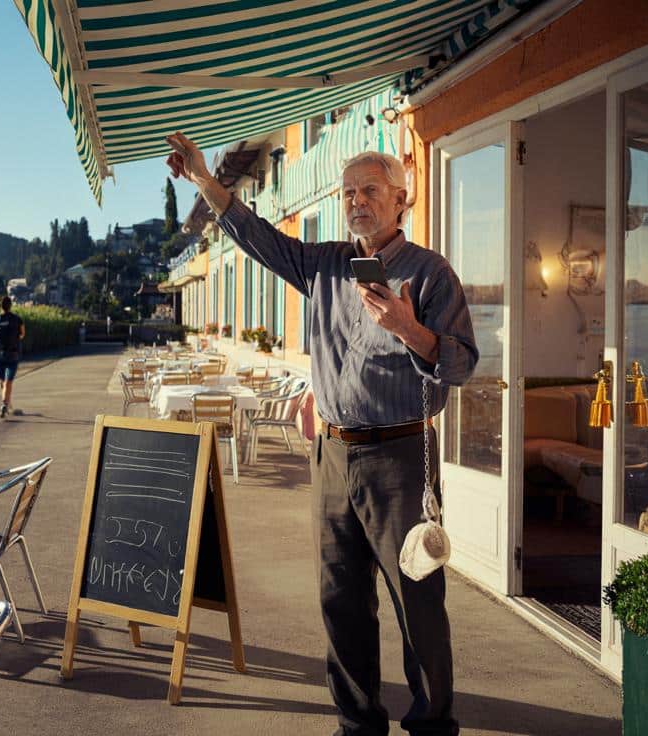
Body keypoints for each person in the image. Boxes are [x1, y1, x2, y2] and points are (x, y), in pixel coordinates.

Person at [166, 132, 477, 736]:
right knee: (340, 599)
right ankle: (358, 724)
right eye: (348, 192)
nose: (357, 201)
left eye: (370, 190)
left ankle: (432, 724)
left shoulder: (430, 273)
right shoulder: (325, 263)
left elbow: (461, 365)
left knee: (416, 600)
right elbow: (256, 236)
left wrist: (410, 329)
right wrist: (204, 178)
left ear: (401, 199)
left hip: (400, 456)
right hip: (332, 454)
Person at [0, 296, 25, 419]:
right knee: (8, 381)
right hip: (13, 354)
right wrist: (14, 337)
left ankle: (7, 403)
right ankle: (5, 404)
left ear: (1, 306)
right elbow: (22, 334)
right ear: (10, 306)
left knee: (3, 381)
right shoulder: (18, 319)